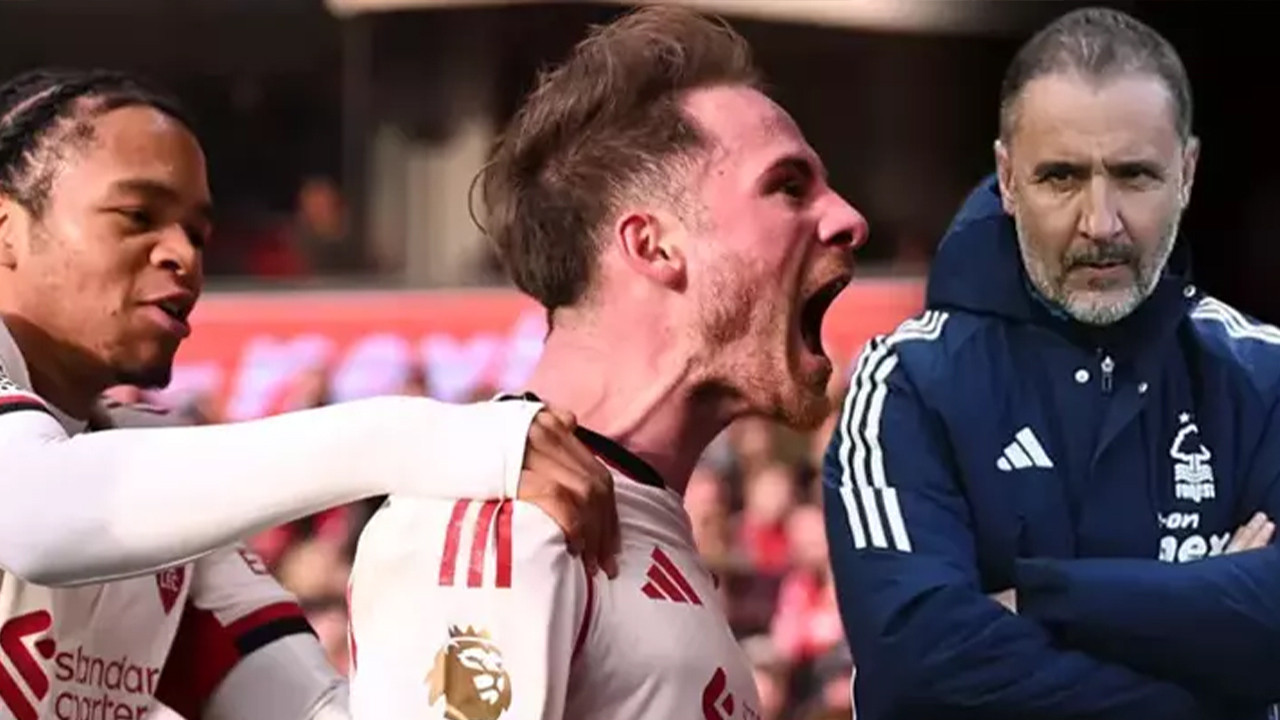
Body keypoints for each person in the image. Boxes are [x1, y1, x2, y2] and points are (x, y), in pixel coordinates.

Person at [0, 67, 619, 719]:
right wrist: (424, 439)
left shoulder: (156, 497)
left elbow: (314, 709)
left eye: (198, 233)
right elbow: (40, 516)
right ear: (6, 227)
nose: (183, 254)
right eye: (138, 216)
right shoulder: (66, 493)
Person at [346, 6, 866, 719]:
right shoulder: (502, 520)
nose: (849, 219)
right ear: (653, 246)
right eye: (788, 187)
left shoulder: (637, 522)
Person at [823, 7, 1280, 719]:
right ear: (1008, 178)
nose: (1100, 222)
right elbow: (917, 666)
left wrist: (1041, 598)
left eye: (1135, 175)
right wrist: (1211, 664)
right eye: (1061, 177)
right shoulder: (907, 383)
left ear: (1187, 173)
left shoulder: (1262, 375)